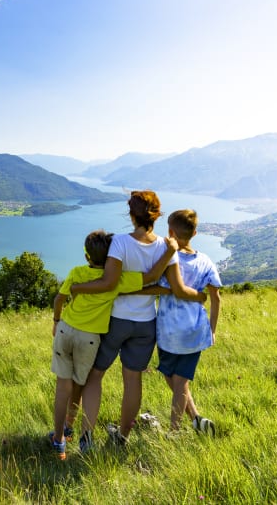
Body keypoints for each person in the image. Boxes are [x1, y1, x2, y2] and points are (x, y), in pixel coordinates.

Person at [71, 190, 205, 453]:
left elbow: (110, 282)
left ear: (132, 215)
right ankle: (122, 437)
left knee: (95, 375)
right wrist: (200, 296)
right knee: (133, 380)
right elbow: (176, 288)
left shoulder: (120, 242)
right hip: (146, 324)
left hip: (116, 321)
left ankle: (86, 437)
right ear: (156, 216)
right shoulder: (168, 248)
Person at [48, 228, 176, 460]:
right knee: (90, 381)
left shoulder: (77, 272)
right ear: (110, 259)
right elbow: (149, 278)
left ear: (87, 256)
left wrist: (56, 320)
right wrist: (169, 252)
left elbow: (59, 298)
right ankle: (93, 436)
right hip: (93, 336)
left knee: (67, 386)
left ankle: (60, 438)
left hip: (67, 329)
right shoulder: (116, 280)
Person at [156, 209, 222, 436]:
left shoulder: (166, 257)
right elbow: (216, 297)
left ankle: (174, 431)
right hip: (194, 332)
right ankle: (195, 419)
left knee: (176, 379)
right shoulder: (205, 261)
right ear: (195, 232)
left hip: (167, 331)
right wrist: (212, 330)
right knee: (178, 381)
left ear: (170, 231)